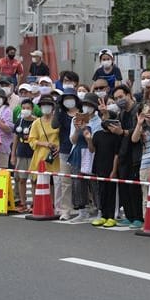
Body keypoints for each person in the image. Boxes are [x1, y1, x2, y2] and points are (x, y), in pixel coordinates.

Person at [109, 85, 144, 228]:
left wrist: (122, 132)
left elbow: (137, 130)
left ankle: (138, 217)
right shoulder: (121, 113)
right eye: (116, 98)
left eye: (121, 97)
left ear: (129, 95)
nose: (119, 100)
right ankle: (129, 216)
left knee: (134, 187)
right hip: (124, 154)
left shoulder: (138, 110)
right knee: (123, 186)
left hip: (136, 153)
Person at [68, 92, 102, 222]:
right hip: (78, 152)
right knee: (78, 183)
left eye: (90, 105)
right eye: (85, 105)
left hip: (92, 152)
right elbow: (73, 140)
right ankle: (82, 210)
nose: (87, 107)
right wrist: (77, 130)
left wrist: (89, 137)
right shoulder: (75, 119)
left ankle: (100, 209)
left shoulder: (98, 121)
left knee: (95, 183)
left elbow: (97, 142)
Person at [87, 112, 121, 228]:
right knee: (101, 191)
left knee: (111, 192)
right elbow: (92, 150)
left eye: (106, 118)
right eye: (102, 117)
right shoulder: (97, 134)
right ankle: (103, 215)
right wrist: (88, 139)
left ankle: (112, 216)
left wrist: (114, 170)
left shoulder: (116, 136)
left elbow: (117, 154)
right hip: (99, 167)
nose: (103, 120)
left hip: (111, 167)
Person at [51, 88, 80, 220]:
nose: (69, 100)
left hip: (80, 150)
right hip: (65, 150)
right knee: (65, 181)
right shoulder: (61, 114)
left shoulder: (82, 113)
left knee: (81, 181)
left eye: (71, 97)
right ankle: (66, 209)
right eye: (66, 98)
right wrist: (57, 107)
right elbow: (54, 125)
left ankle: (83, 207)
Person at [11, 99, 36, 213]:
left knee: (34, 180)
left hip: (33, 153)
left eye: (28, 108)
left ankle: (36, 203)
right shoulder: (19, 121)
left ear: (32, 109)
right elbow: (15, 138)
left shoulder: (36, 121)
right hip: (21, 152)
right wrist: (13, 155)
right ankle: (23, 203)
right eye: (24, 108)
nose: (26, 110)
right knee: (21, 179)